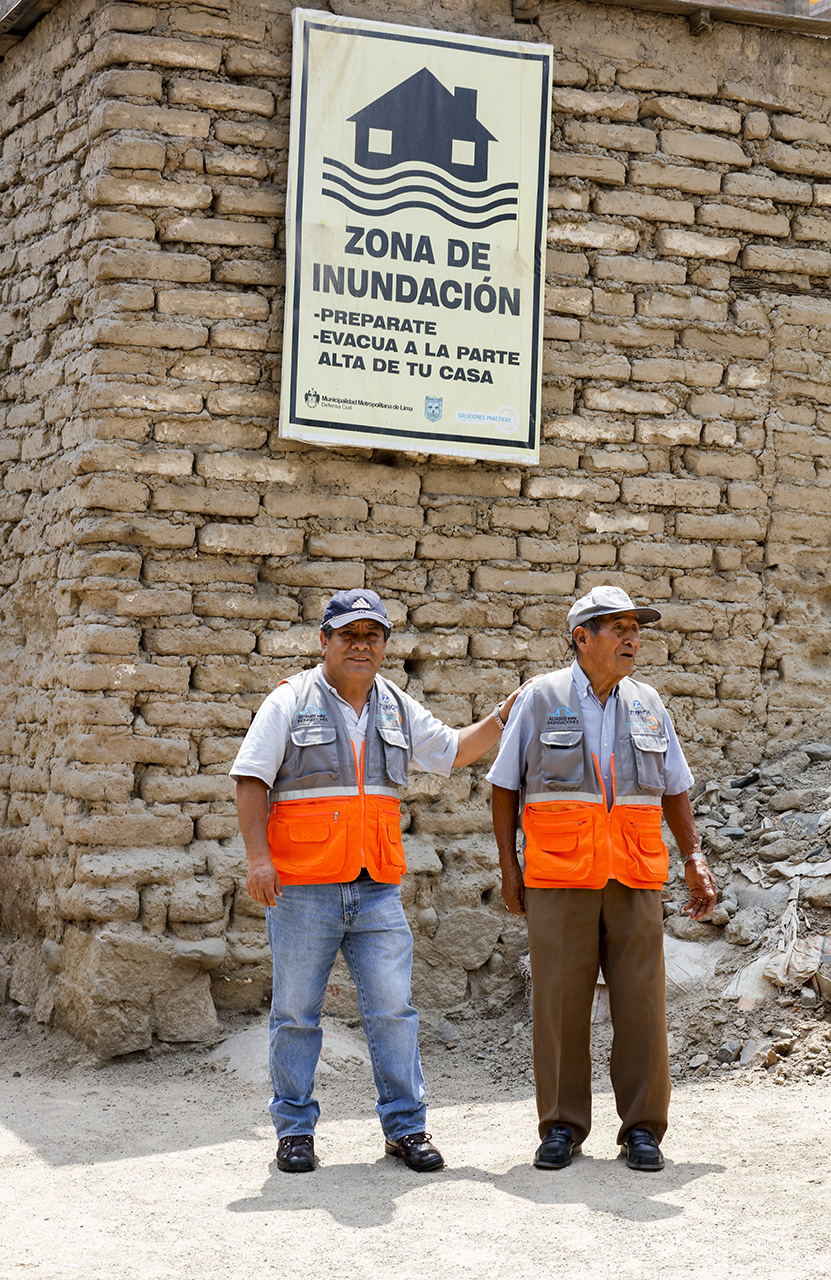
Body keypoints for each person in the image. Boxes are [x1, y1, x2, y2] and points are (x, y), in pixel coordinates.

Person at [232, 588, 521, 1174]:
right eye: (349, 635)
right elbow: (251, 779)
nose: (361, 646)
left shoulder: (394, 704)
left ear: (385, 645)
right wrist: (259, 860)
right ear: (325, 641)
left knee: (392, 1010)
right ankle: (294, 1132)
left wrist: (499, 719)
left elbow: (451, 749)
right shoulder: (290, 700)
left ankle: (406, 1129)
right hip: (303, 887)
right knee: (295, 1013)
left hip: (375, 887)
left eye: (373, 636)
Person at [488, 585, 716, 1173]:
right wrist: (509, 869)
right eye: (617, 628)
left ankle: (642, 1129)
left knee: (641, 1002)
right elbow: (504, 786)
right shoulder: (539, 698)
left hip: (634, 873)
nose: (632, 637)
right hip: (559, 876)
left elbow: (674, 787)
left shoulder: (648, 703)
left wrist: (694, 857)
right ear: (581, 637)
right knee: (559, 1003)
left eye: (635, 628)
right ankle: (562, 1127)